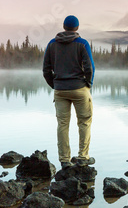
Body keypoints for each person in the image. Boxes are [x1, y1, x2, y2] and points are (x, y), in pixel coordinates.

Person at [43, 15, 95, 169]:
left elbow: (46, 69)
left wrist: (55, 85)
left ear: (64, 26)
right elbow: (89, 67)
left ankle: (65, 160)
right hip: (79, 89)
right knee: (84, 122)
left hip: (60, 90)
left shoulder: (52, 44)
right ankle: (82, 157)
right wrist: (88, 84)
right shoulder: (82, 43)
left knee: (62, 125)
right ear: (77, 28)